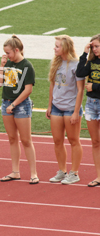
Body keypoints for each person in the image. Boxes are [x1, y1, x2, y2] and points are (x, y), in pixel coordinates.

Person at [0, 35, 39, 184]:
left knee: (26, 140)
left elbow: (28, 90)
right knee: (12, 138)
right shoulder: (8, 64)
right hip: (6, 103)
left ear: (16, 50)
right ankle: (15, 172)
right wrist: (2, 65)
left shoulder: (26, 66)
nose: (6, 55)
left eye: (8, 53)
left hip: (20, 105)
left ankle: (33, 173)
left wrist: (13, 105)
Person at [46, 35, 84, 184]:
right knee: (57, 141)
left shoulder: (76, 65)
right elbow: (52, 85)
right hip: (56, 107)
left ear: (66, 48)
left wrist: (76, 112)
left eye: (57, 46)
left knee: (73, 140)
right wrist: (50, 105)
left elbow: (80, 90)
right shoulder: (56, 63)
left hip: (70, 108)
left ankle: (74, 173)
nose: (54, 48)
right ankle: (62, 171)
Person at [76, 34, 100, 187]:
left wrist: (95, 87)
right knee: (96, 142)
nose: (94, 49)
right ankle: (99, 176)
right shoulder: (91, 61)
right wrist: (84, 54)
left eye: (97, 46)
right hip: (91, 104)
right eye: (93, 47)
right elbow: (79, 73)